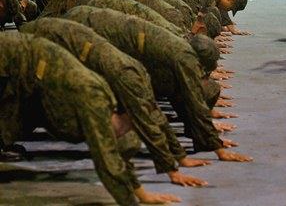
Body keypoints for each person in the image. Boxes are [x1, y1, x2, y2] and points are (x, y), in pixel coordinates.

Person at [20, 18, 210, 187]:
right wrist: (172, 169)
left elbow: (154, 115)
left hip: (58, 34)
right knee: (22, 92)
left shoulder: (138, 77)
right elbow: (148, 123)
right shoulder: (129, 79)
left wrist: (179, 157)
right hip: (46, 37)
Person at [0, 32, 179, 205]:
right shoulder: (96, 104)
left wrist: (142, 194)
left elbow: (116, 160)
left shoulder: (108, 103)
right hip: (11, 59)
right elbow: (108, 162)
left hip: (21, 67)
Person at [62, 6, 253, 163]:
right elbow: (192, 100)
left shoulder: (180, 50)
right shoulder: (182, 57)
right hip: (82, 29)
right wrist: (216, 147)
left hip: (91, 25)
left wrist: (204, 138)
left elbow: (182, 97)